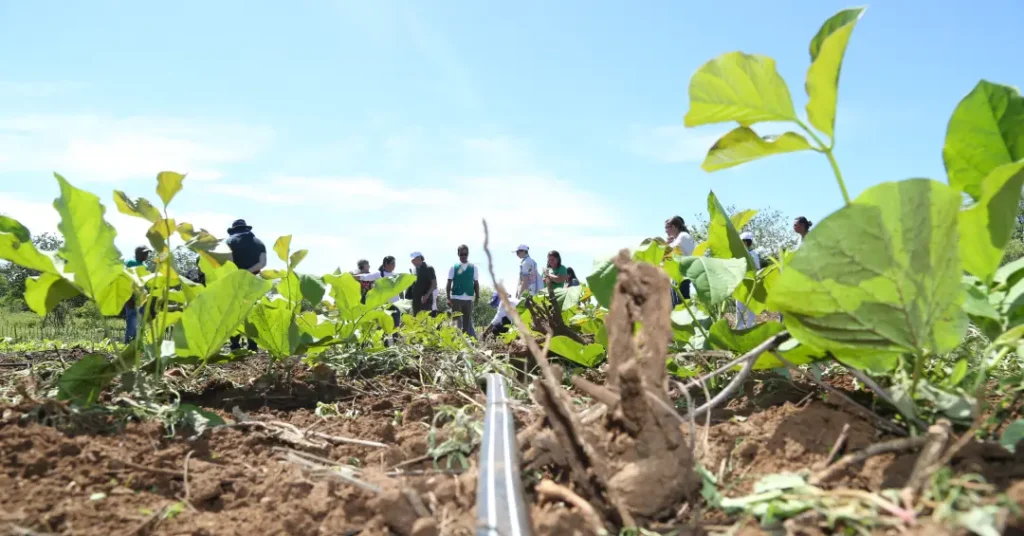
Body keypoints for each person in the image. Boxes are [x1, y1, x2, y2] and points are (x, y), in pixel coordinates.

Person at [225, 219, 266, 351]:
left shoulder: (229, 242)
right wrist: (247, 273)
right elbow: (262, 263)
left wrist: (239, 274)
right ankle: (253, 345)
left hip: (234, 282)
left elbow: (229, 261)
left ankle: (235, 345)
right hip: (252, 281)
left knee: (233, 312)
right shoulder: (259, 243)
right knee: (251, 312)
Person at [356, 256, 402, 331]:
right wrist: (349, 277)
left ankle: (396, 342)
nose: (394, 265)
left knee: (395, 326)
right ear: (386, 264)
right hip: (383, 305)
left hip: (395, 304)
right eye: (392, 263)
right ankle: (384, 342)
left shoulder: (396, 275)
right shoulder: (379, 274)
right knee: (383, 327)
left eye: (394, 263)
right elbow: (365, 277)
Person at [446, 245, 480, 337]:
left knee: (467, 323)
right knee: (456, 322)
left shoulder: (473, 267)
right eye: (461, 254)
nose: (464, 256)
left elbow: (476, 283)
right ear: (458, 254)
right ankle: (455, 341)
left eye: (465, 254)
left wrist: (477, 297)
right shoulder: (453, 267)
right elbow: (449, 283)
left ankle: (468, 343)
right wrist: (448, 298)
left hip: (468, 298)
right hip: (456, 298)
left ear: (468, 254)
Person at [666, 216, 696, 304]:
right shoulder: (679, 238)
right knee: (676, 302)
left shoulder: (683, 237)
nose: (666, 231)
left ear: (674, 227)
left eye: (668, 228)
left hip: (683, 275)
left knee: (681, 302)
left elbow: (669, 253)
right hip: (678, 275)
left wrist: (668, 245)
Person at [123, 246, 150, 343]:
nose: (147, 255)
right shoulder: (131, 262)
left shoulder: (145, 265)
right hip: (132, 299)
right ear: (138, 253)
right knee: (132, 326)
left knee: (139, 326)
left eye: (147, 253)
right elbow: (126, 281)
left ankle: (136, 349)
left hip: (141, 299)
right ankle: (127, 347)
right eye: (145, 253)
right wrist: (128, 298)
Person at [735, 231, 761, 329]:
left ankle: (751, 327)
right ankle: (739, 328)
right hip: (740, 283)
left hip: (750, 283)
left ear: (746, 242)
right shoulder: (739, 254)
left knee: (750, 308)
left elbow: (757, 269)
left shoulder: (753, 254)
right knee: (739, 308)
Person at [409, 252, 437, 317]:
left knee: (426, 320)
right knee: (416, 321)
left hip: (425, 301)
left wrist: (426, 295)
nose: (412, 262)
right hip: (416, 301)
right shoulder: (414, 270)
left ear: (419, 258)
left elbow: (434, 284)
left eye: (413, 260)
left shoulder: (429, 268)